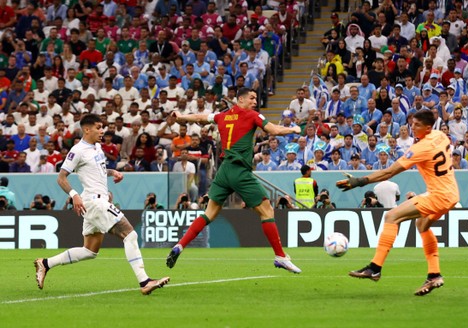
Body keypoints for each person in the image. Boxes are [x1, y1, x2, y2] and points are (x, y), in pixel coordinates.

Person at [166, 88, 302, 273]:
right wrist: (293, 129)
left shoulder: (222, 116)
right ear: (240, 100)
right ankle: (280, 256)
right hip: (239, 170)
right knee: (267, 210)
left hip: (224, 171)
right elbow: (274, 130)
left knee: (209, 213)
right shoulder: (253, 115)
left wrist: (182, 117)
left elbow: (201, 117)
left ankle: (179, 246)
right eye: (252, 98)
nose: (255, 101)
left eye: (256, 98)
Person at [34, 114, 169, 295]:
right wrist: (74, 195)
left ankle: (45, 263)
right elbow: (61, 177)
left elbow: (98, 171)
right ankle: (144, 281)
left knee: (89, 251)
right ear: (87, 129)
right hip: (93, 202)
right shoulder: (78, 150)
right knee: (130, 235)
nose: (102, 130)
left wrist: (113, 172)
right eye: (98, 127)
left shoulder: (97, 147)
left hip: (98, 201)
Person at [337, 110, 460, 296]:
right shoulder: (441, 136)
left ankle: (375, 267)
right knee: (422, 225)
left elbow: (389, 172)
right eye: (412, 122)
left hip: (438, 196)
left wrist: (359, 181)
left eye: (417, 125)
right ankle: (434, 274)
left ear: (428, 127)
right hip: (451, 194)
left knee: (391, 216)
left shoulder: (421, 148)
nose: (412, 126)